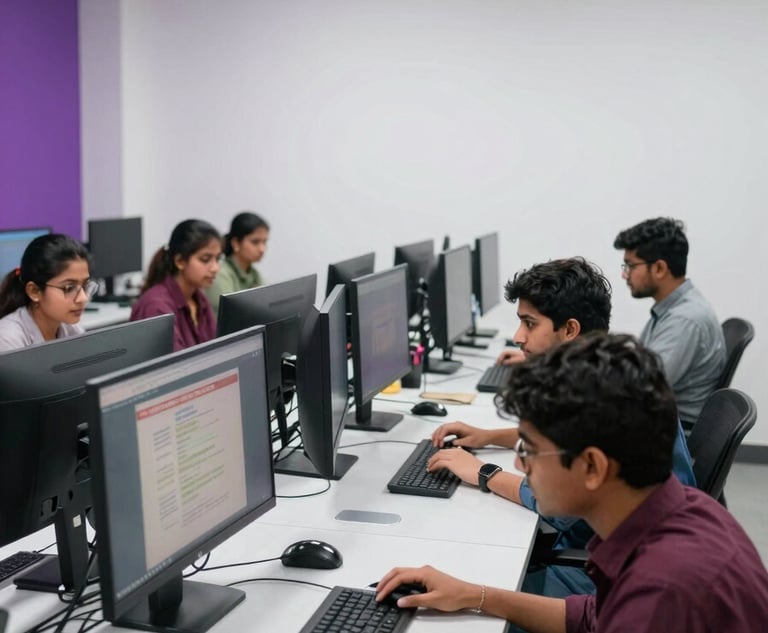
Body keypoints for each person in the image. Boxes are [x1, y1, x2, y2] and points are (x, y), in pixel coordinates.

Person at [377, 334, 768, 633]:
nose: (517, 462)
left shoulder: (660, 596)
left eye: (529, 450)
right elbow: (591, 617)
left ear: (593, 467)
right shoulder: (680, 510)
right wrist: (475, 596)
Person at [428, 257, 695, 598]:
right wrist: (490, 436)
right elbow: (566, 442)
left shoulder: (599, 397)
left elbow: (552, 502)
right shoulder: (609, 369)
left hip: (605, 578)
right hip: (617, 551)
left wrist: (483, 473)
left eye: (529, 323)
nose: (518, 336)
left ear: (570, 330)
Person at [613, 217, 725, 429]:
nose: (624, 274)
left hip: (672, 431)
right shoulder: (674, 309)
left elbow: (641, 390)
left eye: (630, 265)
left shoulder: (684, 319)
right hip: (664, 420)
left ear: (659, 269)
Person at [131, 219, 221, 351]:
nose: (215, 268)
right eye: (205, 259)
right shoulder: (156, 307)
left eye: (218, 259)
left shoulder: (199, 299)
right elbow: (176, 368)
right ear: (180, 261)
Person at [0, 234, 98, 351]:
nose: (83, 298)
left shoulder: (73, 330)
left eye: (85, 285)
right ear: (34, 291)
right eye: (68, 288)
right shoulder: (7, 340)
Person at [204, 211, 269, 314]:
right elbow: (230, 317)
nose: (262, 249)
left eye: (264, 242)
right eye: (255, 242)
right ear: (236, 243)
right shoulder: (220, 274)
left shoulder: (254, 274)